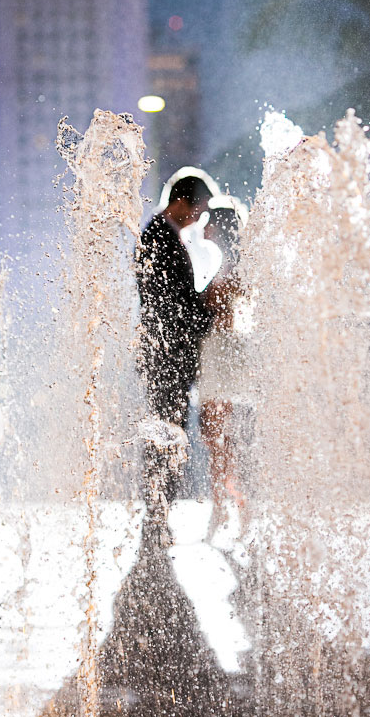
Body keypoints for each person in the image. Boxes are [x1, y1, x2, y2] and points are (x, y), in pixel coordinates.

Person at [135, 174, 215, 432]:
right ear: (181, 203)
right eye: (198, 212)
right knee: (165, 434)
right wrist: (209, 311)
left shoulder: (162, 233)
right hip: (167, 354)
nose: (197, 220)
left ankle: (166, 473)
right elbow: (171, 302)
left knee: (169, 432)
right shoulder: (159, 237)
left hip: (169, 353)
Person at [197, 198, 253, 524]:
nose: (203, 228)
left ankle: (229, 505)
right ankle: (227, 504)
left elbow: (223, 315)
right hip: (223, 355)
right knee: (221, 436)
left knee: (221, 436)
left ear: (219, 228)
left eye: (208, 222)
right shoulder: (231, 265)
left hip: (222, 355)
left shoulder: (231, 269)